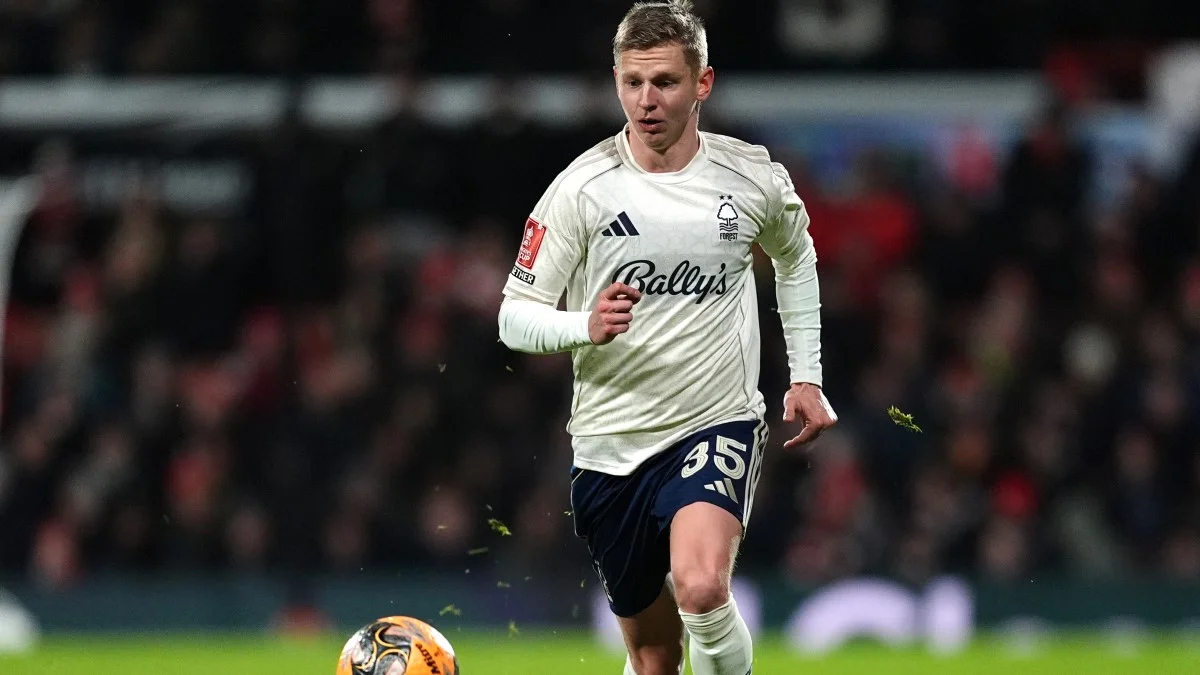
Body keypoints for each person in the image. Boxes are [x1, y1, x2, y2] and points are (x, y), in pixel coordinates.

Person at [496, 2, 837, 673]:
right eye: (632, 83)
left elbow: (796, 257)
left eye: (665, 82)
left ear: (702, 83)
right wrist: (583, 325)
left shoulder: (751, 178)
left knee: (702, 587)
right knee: (654, 658)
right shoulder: (581, 189)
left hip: (715, 421)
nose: (646, 101)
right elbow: (513, 316)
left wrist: (807, 374)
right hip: (610, 444)